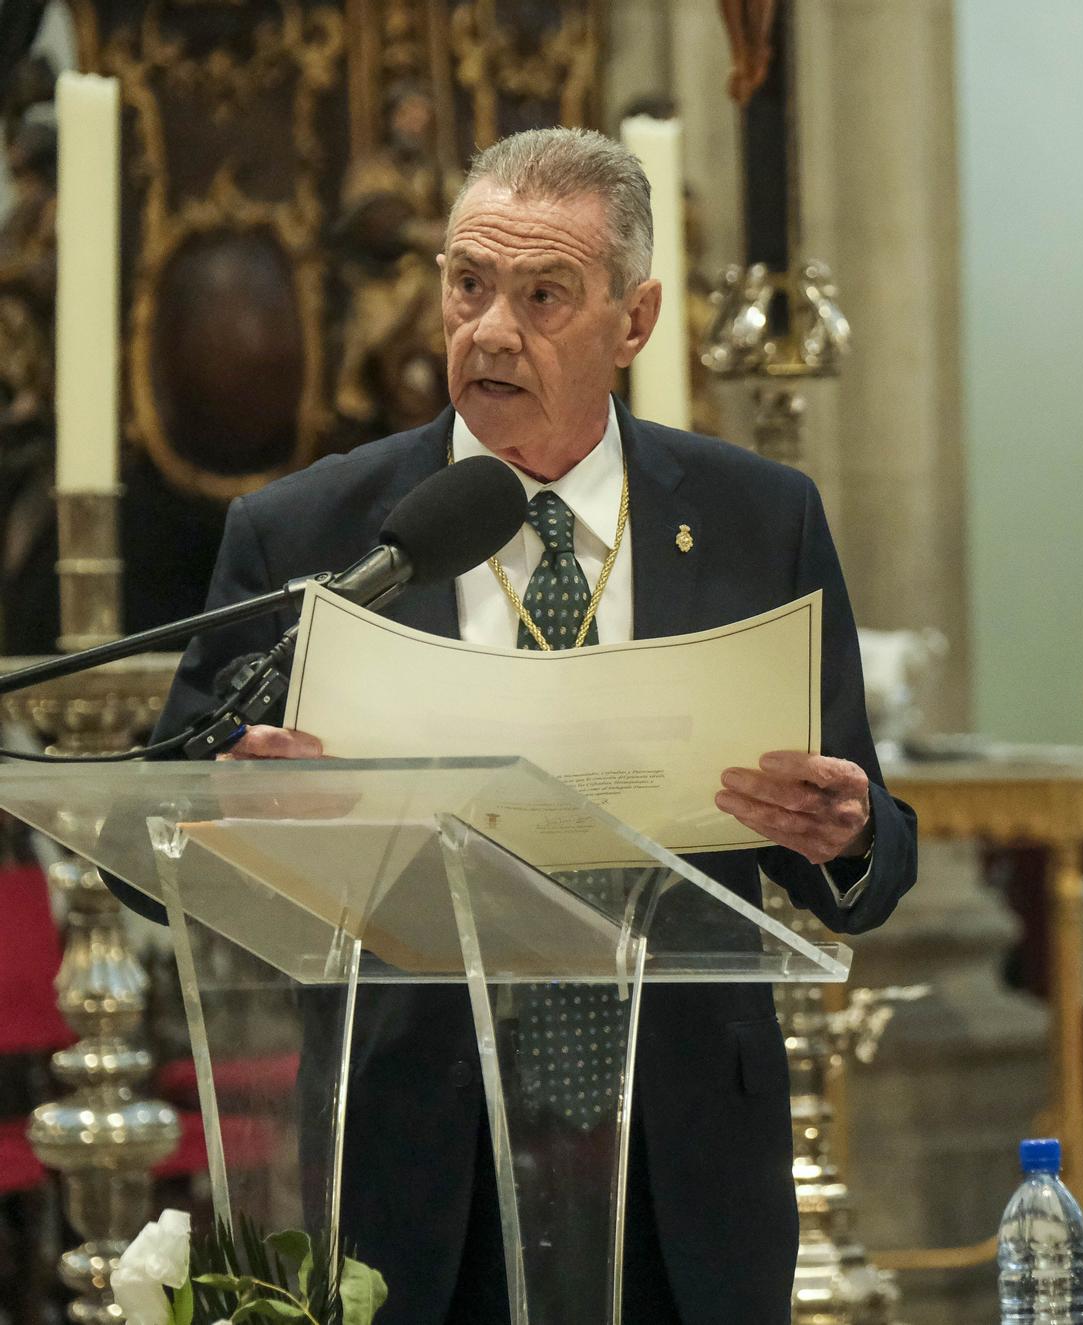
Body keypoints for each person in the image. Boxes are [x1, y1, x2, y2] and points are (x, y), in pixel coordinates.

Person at [136, 127, 918, 1325]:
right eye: (466, 285)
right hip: (411, 1153)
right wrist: (251, 813)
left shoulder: (760, 518)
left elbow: (863, 842)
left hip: (682, 1158)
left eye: (544, 294)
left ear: (635, 320)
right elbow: (167, 825)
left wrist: (846, 827)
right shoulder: (308, 533)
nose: (490, 329)